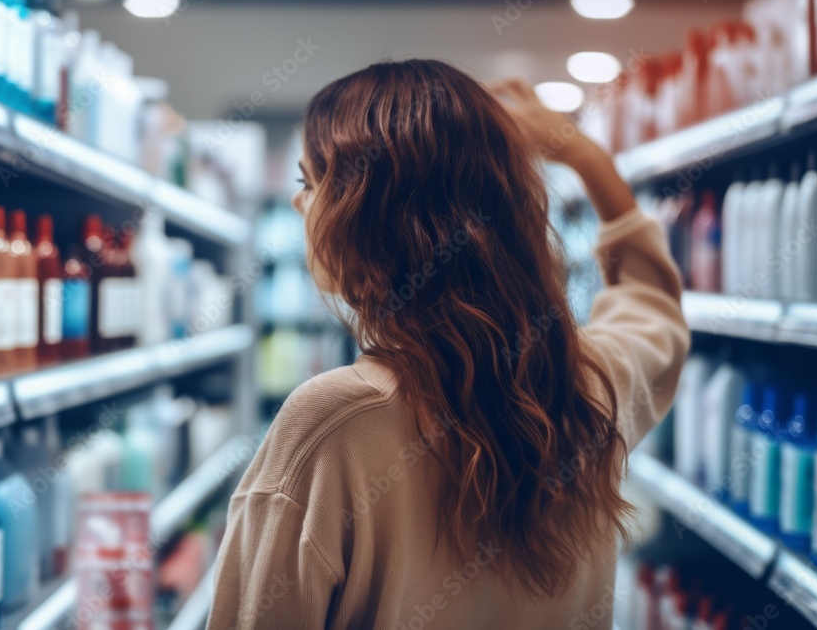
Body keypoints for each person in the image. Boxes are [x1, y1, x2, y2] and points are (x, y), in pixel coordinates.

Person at [207, 60, 689, 629]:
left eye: (309, 183)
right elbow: (653, 304)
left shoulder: (333, 423)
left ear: (367, 214)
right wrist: (582, 154)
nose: (298, 205)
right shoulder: (586, 388)